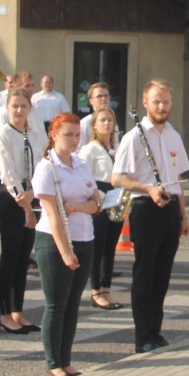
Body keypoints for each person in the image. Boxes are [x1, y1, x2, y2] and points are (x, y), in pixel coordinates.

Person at [112, 79, 189, 353]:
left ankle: (156, 331)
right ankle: (143, 335)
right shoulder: (134, 136)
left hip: (169, 207)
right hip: (145, 207)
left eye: (166, 102)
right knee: (145, 273)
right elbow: (117, 178)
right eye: (157, 101)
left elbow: (177, 179)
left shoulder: (173, 135)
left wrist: (182, 216)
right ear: (146, 102)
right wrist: (147, 188)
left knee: (163, 273)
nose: (162, 106)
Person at [32, 112, 100, 376]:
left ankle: (66, 359)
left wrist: (79, 206)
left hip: (85, 237)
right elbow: (53, 214)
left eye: (76, 134)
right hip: (55, 240)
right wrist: (64, 251)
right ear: (54, 136)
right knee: (56, 305)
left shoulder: (81, 163)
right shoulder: (47, 167)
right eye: (67, 135)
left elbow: (97, 203)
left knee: (73, 304)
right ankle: (53, 362)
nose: (74, 139)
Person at [0, 87, 44, 335]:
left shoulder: (33, 135)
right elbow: (7, 171)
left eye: (23, 106)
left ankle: (18, 312)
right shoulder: (4, 133)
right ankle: (4, 315)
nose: (19, 111)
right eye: (15, 106)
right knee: (10, 258)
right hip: (13, 199)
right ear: (8, 108)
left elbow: (42, 165)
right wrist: (25, 204)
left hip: (32, 195)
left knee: (24, 259)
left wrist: (34, 196)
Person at [77, 105, 125, 311]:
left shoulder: (117, 147)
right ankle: (96, 290)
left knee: (110, 248)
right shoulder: (90, 149)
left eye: (110, 120)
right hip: (99, 200)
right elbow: (85, 178)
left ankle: (107, 287)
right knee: (98, 248)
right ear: (94, 125)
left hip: (116, 200)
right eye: (102, 120)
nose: (107, 123)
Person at [80, 81, 119, 148]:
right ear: (91, 101)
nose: (103, 99)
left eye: (106, 96)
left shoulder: (112, 122)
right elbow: (78, 151)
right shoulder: (85, 123)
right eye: (99, 96)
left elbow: (115, 144)